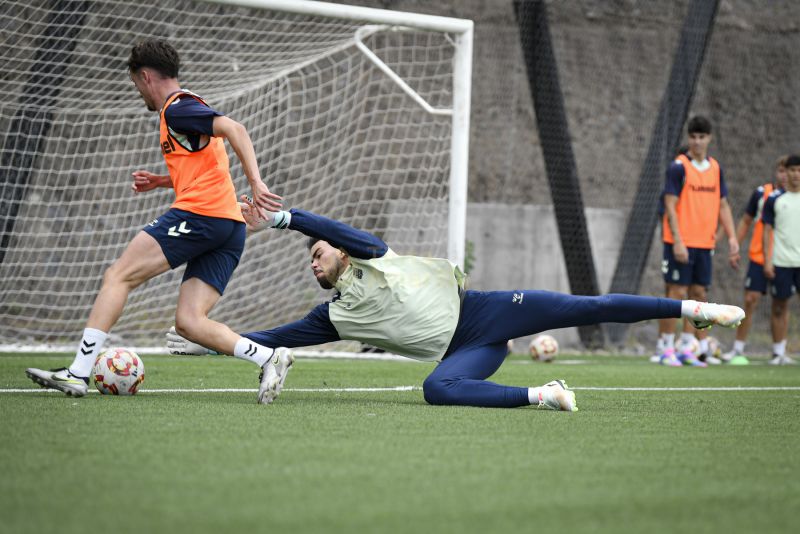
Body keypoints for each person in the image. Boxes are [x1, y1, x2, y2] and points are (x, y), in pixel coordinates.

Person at [166, 201, 746, 411]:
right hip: (469, 353)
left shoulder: (371, 255)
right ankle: (545, 395)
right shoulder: (331, 318)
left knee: (584, 305)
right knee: (436, 390)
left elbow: (332, 228)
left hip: (487, 314)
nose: (313, 261)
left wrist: (288, 220)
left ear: (341, 253)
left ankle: (695, 312)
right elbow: (271, 338)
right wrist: (202, 335)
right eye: (310, 258)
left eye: (318, 254)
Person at [26, 39, 293, 404]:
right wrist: (162, 180)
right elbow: (207, 163)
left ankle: (78, 373)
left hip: (202, 216)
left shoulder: (177, 108)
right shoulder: (189, 109)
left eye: (137, 84)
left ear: (146, 76)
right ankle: (269, 357)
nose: (139, 92)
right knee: (189, 322)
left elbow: (237, 130)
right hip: (228, 227)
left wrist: (257, 183)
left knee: (118, 276)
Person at [656, 116, 739, 367]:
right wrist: (678, 241)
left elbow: (723, 204)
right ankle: (666, 348)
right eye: (693, 136)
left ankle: (687, 347)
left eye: (702, 137)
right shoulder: (678, 167)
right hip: (680, 242)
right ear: (688, 138)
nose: (697, 141)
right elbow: (669, 206)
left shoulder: (715, 168)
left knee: (699, 295)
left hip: (704, 244)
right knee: (676, 293)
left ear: (709, 138)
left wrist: (732, 236)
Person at [722, 155, 789, 362]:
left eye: (789, 171)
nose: (785, 175)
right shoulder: (762, 194)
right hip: (759, 257)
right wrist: (736, 248)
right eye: (781, 171)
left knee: (781, 304)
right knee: (750, 301)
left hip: (784, 259)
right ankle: (738, 348)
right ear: (776, 172)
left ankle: (779, 351)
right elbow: (745, 221)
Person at [762, 154, 800, 365]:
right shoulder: (775, 199)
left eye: (799, 170)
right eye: (792, 170)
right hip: (782, 261)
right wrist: (768, 260)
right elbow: (767, 231)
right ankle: (778, 352)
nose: (795, 175)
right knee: (779, 306)